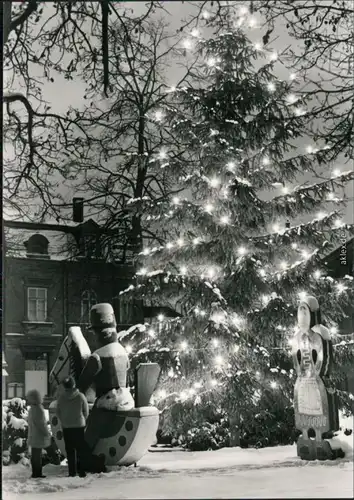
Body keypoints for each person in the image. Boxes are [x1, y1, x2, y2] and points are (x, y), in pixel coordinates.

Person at [78, 303, 132, 472]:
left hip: (107, 405)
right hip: (126, 401)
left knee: (88, 434)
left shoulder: (97, 357)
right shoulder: (123, 351)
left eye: (93, 332)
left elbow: (82, 384)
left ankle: (86, 461)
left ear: (98, 332)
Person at [56, 376, 88, 477]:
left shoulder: (61, 397)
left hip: (67, 427)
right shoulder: (81, 396)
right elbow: (86, 411)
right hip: (79, 426)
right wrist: (83, 420)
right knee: (81, 449)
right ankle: (82, 471)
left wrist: (64, 421)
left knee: (70, 450)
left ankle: (72, 472)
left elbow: (58, 412)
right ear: (74, 385)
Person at [26, 389, 51, 479]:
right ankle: (37, 473)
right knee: (37, 456)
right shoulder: (38, 409)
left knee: (35, 455)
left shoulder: (32, 409)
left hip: (33, 434)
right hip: (38, 435)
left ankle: (35, 473)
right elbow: (41, 424)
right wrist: (47, 433)